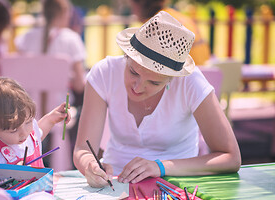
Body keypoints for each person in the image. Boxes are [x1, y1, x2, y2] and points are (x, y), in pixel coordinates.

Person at [73, 11, 241, 188]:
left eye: (154, 82)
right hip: (113, 183)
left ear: (172, 78)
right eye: (133, 72)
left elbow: (230, 157)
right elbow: (83, 150)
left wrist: (160, 166)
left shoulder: (190, 82)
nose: (137, 87)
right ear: (126, 56)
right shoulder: (104, 73)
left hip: (176, 186)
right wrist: (90, 166)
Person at [0, 77, 71, 168]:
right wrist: (13, 174)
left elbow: (37, 135)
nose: (24, 133)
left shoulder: (28, 134)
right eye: (14, 130)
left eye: (28, 122)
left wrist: (52, 118)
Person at [15, 0, 86, 105]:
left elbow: (20, 76)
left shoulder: (26, 38)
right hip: (61, 112)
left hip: (29, 110)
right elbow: (79, 86)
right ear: (64, 12)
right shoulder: (71, 39)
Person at [129, 0, 211, 66]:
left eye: (132, 6)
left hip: (183, 78)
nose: (133, 12)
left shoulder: (155, 24)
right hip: (205, 73)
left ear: (141, 4)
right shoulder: (175, 15)